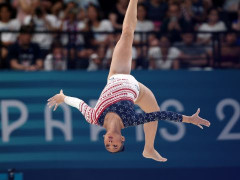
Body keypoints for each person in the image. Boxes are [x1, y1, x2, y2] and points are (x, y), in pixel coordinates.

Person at [47, 0, 210, 161]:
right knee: (153, 111)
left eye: (107, 145)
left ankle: (134, 0)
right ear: (122, 139)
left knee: (126, 34)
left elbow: (79, 104)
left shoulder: (95, 117)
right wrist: (188, 119)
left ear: (104, 139)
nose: (110, 143)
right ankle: (149, 148)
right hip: (138, 90)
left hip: (116, 74)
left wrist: (63, 98)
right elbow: (160, 115)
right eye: (115, 146)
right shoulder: (130, 120)